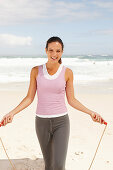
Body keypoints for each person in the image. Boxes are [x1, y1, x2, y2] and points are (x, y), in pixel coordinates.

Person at [0, 36, 106, 170]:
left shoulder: (67, 73)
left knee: (59, 165)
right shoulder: (36, 71)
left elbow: (72, 100)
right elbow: (29, 97)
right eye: (51, 50)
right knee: (49, 165)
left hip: (61, 122)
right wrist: (12, 113)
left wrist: (91, 113)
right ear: (45, 50)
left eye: (57, 51)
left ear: (62, 52)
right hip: (41, 122)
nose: (54, 54)